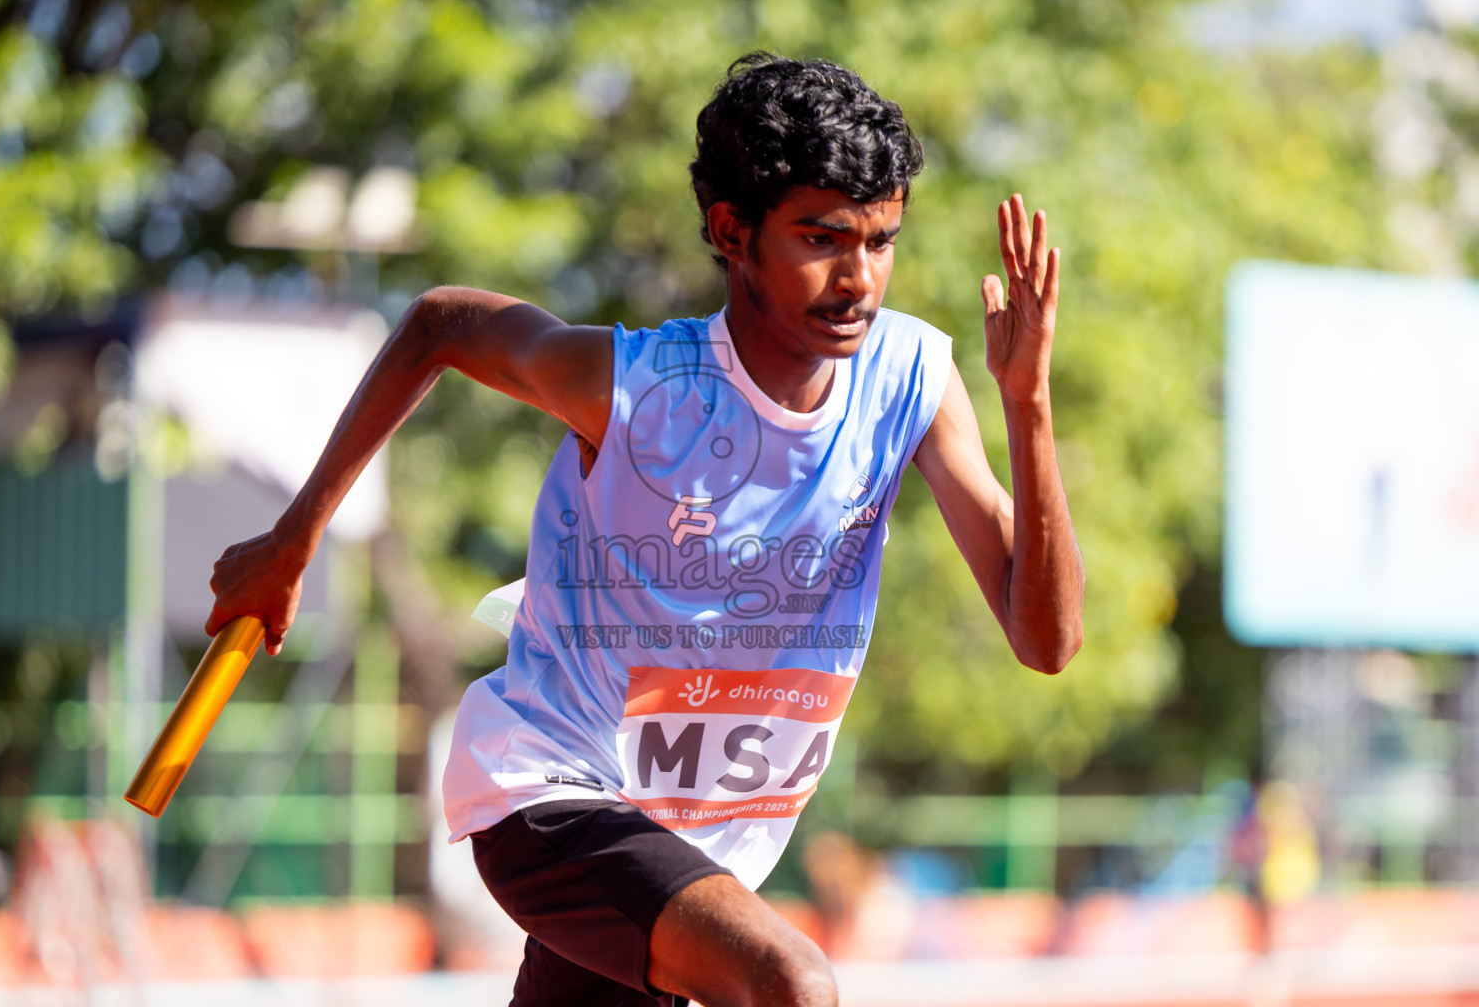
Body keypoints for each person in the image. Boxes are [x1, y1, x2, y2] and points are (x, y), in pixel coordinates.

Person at [206, 52, 1084, 1007]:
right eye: (822, 240)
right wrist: (292, 542)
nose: (858, 280)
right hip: (551, 792)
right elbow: (441, 323)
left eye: (881, 242)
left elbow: (1045, 640)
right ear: (730, 231)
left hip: (695, 841)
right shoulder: (640, 388)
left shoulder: (910, 376)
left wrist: (1027, 404)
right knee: (791, 982)